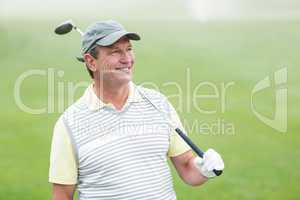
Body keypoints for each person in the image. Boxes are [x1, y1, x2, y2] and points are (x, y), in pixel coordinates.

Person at [49, 20, 224, 200]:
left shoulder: (158, 104)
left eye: (129, 49)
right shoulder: (69, 123)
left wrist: (203, 168)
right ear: (91, 62)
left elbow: (187, 168)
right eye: (115, 52)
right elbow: (62, 195)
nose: (127, 59)